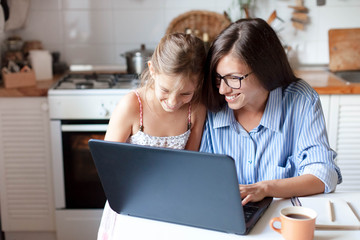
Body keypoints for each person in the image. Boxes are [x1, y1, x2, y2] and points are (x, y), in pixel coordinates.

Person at [200, 18, 342, 206]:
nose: (222, 90)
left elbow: (324, 174)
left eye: (234, 78)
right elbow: (199, 177)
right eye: (218, 78)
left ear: (264, 70)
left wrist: (266, 188)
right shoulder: (211, 104)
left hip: (283, 219)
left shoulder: (301, 100)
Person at [98, 33, 207, 240]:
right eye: (165, 90)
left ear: (199, 83)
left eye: (185, 93)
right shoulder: (131, 106)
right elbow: (108, 168)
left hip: (174, 205)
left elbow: (190, 166)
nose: (173, 102)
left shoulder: (196, 110)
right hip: (130, 205)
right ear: (152, 70)